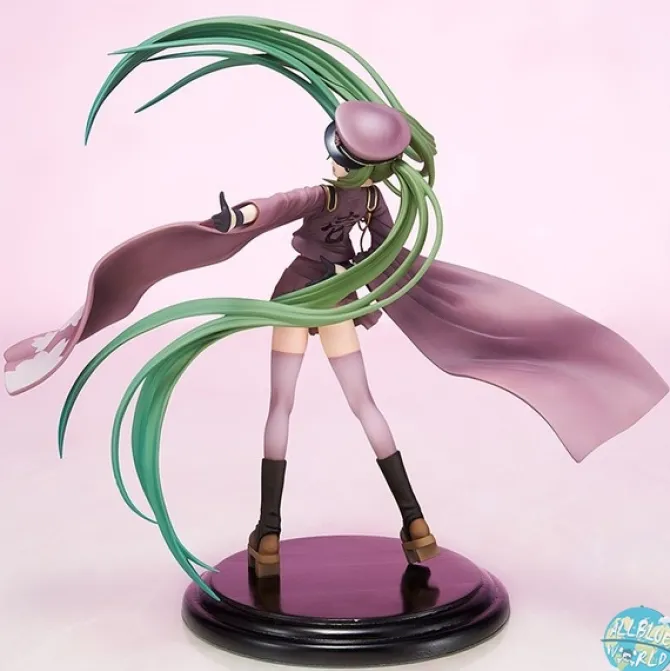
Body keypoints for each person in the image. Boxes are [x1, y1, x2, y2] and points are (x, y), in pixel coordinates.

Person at [3, 17, 666, 600]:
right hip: (331, 299)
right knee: (361, 405)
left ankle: (273, 531)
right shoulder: (371, 201)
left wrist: (239, 219)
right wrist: (325, 259)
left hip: (303, 296)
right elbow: (360, 239)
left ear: (343, 154)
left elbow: (279, 208)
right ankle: (413, 522)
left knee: (285, 408)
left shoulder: (333, 196)